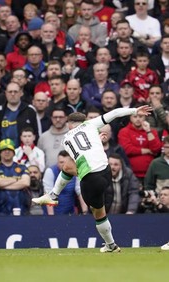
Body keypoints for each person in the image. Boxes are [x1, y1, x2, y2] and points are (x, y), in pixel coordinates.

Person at [32, 104, 152, 253]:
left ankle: (111, 245)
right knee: (69, 166)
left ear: (70, 124)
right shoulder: (91, 124)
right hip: (106, 172)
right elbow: (115, 113)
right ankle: (53, 195)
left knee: (98, 213)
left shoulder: (67, 139)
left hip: (90, 179)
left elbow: (79, 154)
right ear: (84, 122)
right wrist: (134, 110)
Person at [0, 139, 32, 216]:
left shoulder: (22, 167)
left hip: (21, 210)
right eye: (4, 150)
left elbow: (26, 183)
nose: (7, 152)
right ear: (0, 153)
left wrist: (2, 185)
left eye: (9, 150)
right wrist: (16, 179)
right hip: (0, 210)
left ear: (14, 152)